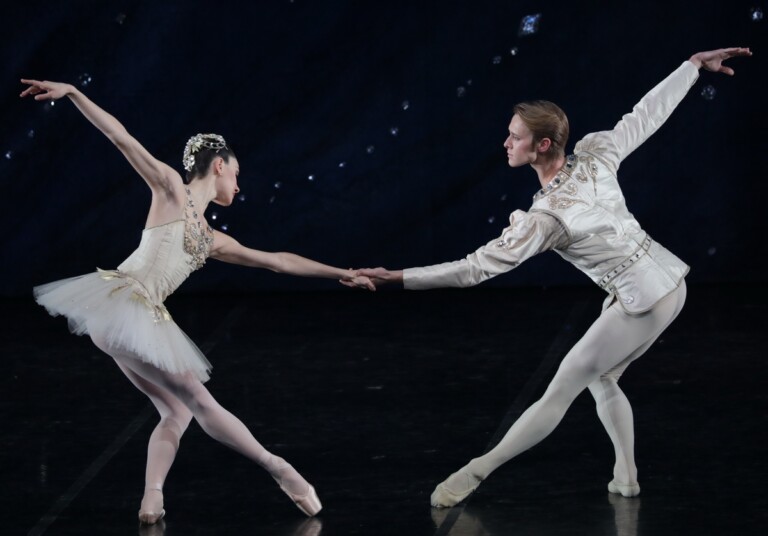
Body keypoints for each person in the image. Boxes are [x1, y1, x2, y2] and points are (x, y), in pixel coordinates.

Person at [355, 47, 752, 507]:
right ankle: (626, 478)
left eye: (515, 137)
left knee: (560, 390)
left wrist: (397, 278)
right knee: (603, 380)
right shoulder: (595, 156)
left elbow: (472, 270)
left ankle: (474, 472)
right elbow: (644, 116)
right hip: (669, 284)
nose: (506, 143)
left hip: (644, 298)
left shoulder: (547, 218)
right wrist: (691, 68)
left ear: (542, 145)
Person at [20, 78, 375, 524]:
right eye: (239, 174)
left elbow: (279, 262)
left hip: (116, 321)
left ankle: (152, 499)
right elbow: (120, 137)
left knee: (177, 410)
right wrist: (73, 92)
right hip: (125, 305)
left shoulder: (211, 239)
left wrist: (343, 273)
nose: (240, 187)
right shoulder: (171, 187)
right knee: (198, 399)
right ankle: (279, 468)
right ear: (221, 166)